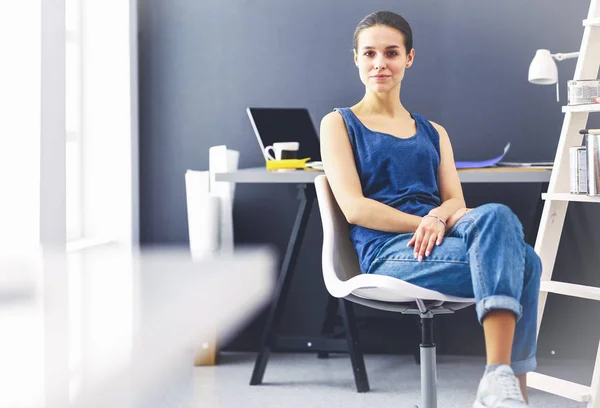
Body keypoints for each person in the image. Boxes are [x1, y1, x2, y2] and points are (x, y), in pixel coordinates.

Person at [319, 10, 542, 408]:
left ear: (409, 58)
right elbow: (354, 208)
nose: (379, 63)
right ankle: (507, 388)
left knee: (498, 215)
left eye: (391, 52)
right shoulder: (339, 124)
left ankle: (500, 384)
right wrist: (425, 221)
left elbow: (455, 200)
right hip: (390, 252)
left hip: (441, 235)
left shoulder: (432, 131)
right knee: (525, 262)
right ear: (356, 59)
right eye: (369, 54)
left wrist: (438, 217)